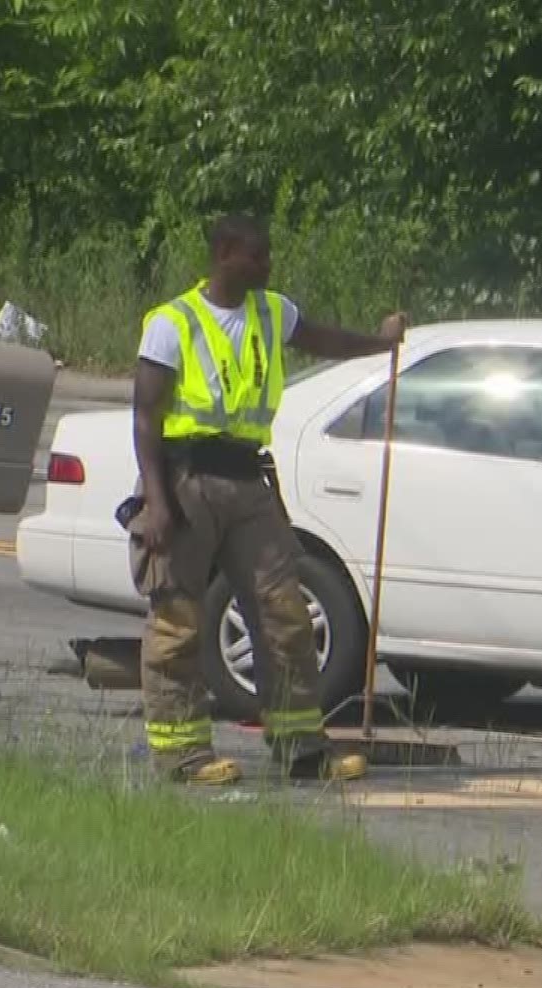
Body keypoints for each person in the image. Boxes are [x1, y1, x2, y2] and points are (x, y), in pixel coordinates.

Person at [130, 213, 407, 785]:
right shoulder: (171, 323)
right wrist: (157, 503)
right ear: (226, 253)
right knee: (178, 620)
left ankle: (301, 746)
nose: (268, 265)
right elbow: (144, 416)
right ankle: (182, 755)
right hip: (186, 483)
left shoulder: (271, 311)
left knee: (285, 614)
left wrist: (380, 345)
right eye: (258, 255)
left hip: (247, 483)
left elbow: (326, 338)